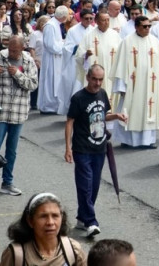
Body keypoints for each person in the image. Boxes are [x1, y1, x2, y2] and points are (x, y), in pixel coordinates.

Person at [65, 65, 126, 238]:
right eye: (94, 79)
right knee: (85, 184)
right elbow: (69, 122)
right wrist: (68, 147)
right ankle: (91, 221)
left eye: (100, 80)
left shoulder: (103, 94)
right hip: (82, 148)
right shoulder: (78, 98)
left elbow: (103, 115)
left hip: (99, 148)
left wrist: (117, 116)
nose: (97, 83)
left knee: (94, 186)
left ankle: (82, 218)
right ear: (88, 78)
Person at [0, 36, 39, 198]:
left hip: (18, 112)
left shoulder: (29, 62)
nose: (12, 53)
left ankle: (7, 183)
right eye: (10, 49)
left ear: (22, 48)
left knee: (11, 151)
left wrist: (17, 74)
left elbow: (33, 85)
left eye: (15, 51)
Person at [112, 16, 159, 148]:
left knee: (149, 109)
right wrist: (121, 87)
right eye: (144, 26)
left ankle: (147, 141)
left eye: (149, 26)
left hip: (151, 85)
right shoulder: (127, 42)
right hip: (132, 86)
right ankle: (127, 140)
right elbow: (121, 65)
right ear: (136, 27)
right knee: (131, 109)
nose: (147, 29)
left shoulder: (154, 41)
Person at [0, 192, 87, 266]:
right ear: (30, 221)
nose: (50, 222)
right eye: (43, 216)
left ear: (62, 218)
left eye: (55, 216)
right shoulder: (16, 255)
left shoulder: (73, 250)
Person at [77, 12, 120, 97]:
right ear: (96, 21)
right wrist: (86, 55)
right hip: (96, 73)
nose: (107, 22)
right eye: (104, 20)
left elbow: (121, 54)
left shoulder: (115, 35)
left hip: (111, 70)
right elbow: (79, 55)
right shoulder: (89, 36)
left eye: (108, 20)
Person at [38, 6, 71, 114]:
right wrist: (64, 47)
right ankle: (48, 106)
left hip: (57, 58)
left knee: (56, 82)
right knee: (50, 82)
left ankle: (55, 105)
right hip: (51, 59)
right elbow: (50, 45)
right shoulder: (50, 26)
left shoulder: (57, 24)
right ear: (63, 16)